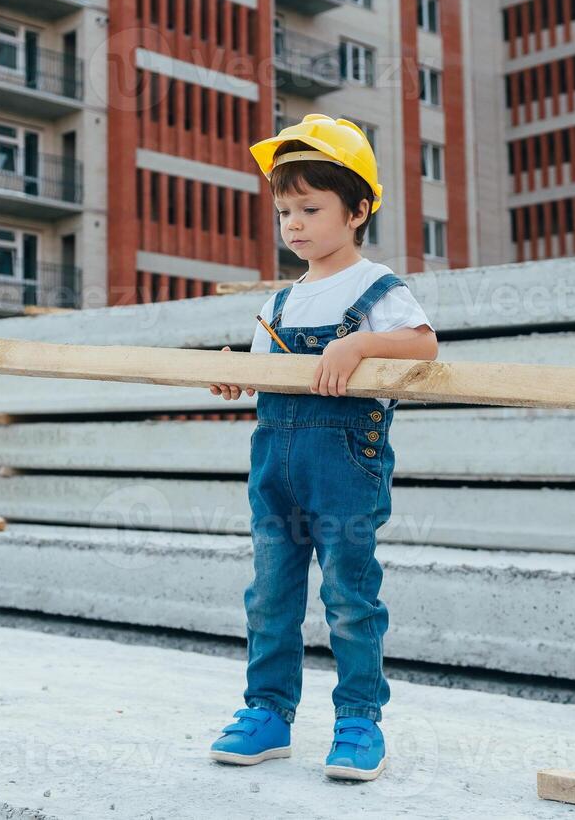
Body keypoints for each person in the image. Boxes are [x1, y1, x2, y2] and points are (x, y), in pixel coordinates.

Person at [205, 113, 438, 782]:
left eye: (310, 208)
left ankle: (359, 721)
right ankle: (267, 715)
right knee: (270, 596)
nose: (294, 224)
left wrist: (359, 341)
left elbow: (422, 346)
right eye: (284, 211)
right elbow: (260, 378)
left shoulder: (378, 289)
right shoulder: (278, 304)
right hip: (274, 468)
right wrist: (232, 370)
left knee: (349, 596)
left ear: (358, 209)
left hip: (344, 470)